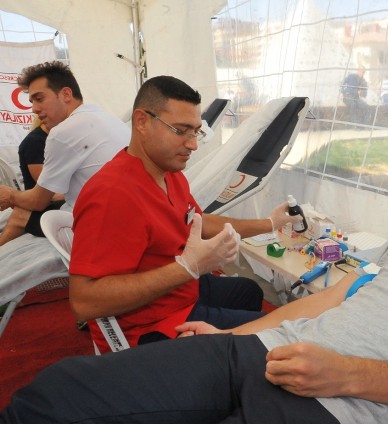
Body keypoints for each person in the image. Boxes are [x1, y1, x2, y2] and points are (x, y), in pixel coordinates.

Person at [0, 117, 388, 423]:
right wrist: (235, 335)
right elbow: (334, 298)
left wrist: (344, 374)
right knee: (58, 392)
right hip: (269, 353)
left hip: (340, 406)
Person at [67, 75, 301, 353]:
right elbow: (84, 303)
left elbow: (199, 222)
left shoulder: (169, 173)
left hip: (179, 292)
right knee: (281, 337)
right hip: (152, 325)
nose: (193, 144)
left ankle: (231, 366)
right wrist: (188, 267)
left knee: (249, 291)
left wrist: (270, 223)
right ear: (142, 122)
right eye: (181, 131)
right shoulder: (112, 194)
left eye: (196, 132)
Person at [0, 61, 129, 224]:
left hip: (101, 222)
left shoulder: (62, 133)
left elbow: (38, 201)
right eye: (32, 102)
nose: (34, 109)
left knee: (25, 215)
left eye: (39, 99)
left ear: (66, 94)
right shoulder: (109, 119)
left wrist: (10, 195)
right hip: (128, 215)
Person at [0, 117, 64, 246]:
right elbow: (48, 191)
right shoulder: (35, 142)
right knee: (21, 212)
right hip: (43, 201)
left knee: (20, 213)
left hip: (50, 200)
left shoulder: (62, 140)